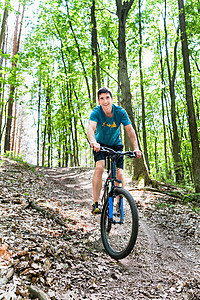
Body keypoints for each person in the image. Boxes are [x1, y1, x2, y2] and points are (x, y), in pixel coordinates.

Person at [87, 86, 142, 214]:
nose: (105, 101)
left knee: (120, 174)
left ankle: (119, 203)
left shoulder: (120, 112)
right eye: (102, 98)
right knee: (100, 167)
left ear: (112, 99)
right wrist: (93, 142)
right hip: (99, 144)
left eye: (107, 97)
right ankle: (96, 203)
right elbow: (90, 128)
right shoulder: (96, 112)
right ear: (99, 101)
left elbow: (130, 130)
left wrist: (136, 148)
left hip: (116, 145)